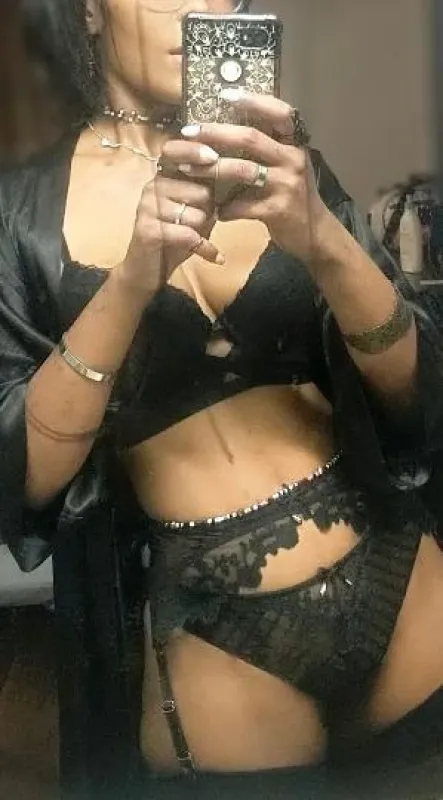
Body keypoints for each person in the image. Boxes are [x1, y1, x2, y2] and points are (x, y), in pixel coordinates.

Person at [1, 0, 443, 798]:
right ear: (91, 10)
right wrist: (131, 280)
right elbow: (26, 475)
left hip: (405, 582)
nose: (203, 7)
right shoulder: (22, 212)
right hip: (221, 635)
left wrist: (323, 236)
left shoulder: (287, 166)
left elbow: (416, 392)